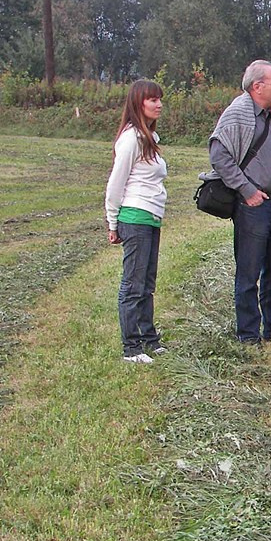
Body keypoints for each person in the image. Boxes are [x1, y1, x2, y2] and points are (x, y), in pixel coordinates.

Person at [208, 60, 271, 343]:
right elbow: (219, 156)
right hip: (253, 205)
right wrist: (246, 190)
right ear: (256, 86)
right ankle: (248, 334)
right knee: (249, 272)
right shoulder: (237, 113)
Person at [105, 79, 168, 364]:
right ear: (138, 103)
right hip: (136, 217)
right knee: (133, 284)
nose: (158, 104)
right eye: (151, 99)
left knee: (147, 283)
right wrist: (112, 222)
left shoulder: (150, 139)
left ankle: (149, 340)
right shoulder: (130, 139)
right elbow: (115, 184)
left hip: (152, 217)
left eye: (159, 99)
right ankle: (132, 348)